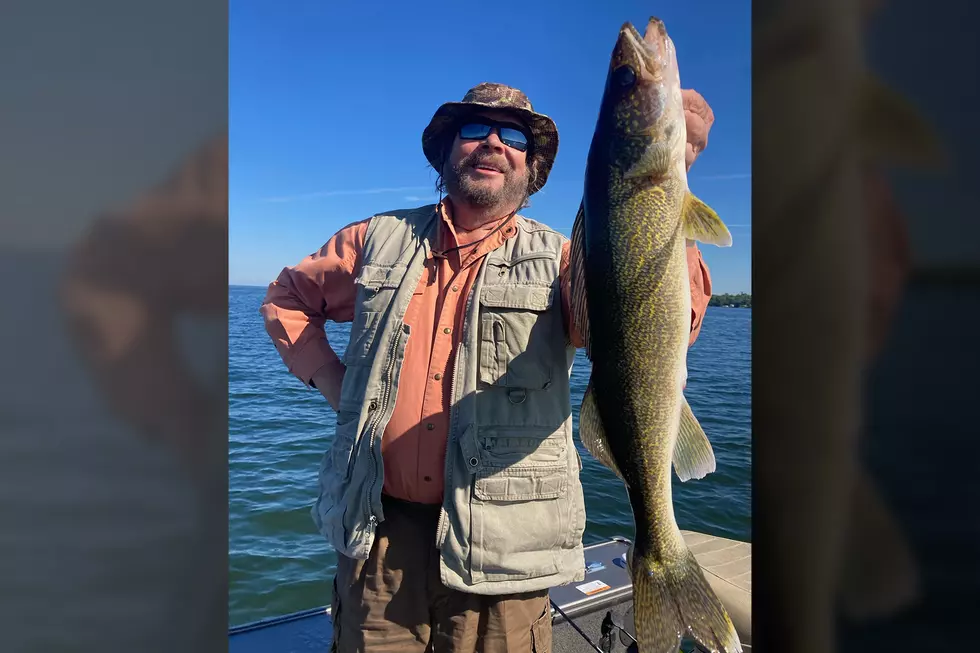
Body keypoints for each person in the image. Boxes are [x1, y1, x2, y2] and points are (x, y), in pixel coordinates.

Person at [259, 82, 716, 653]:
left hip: (507, 554)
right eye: (475, 130)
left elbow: (657, 326)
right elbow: (285, 298)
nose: (493, 143)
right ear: (447, 151)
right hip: (376, 536)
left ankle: (662, 562)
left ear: (532, 164)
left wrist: (673, 185)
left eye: (514, 136)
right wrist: (335, 383)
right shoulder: (373, 241)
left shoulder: (566, 258)